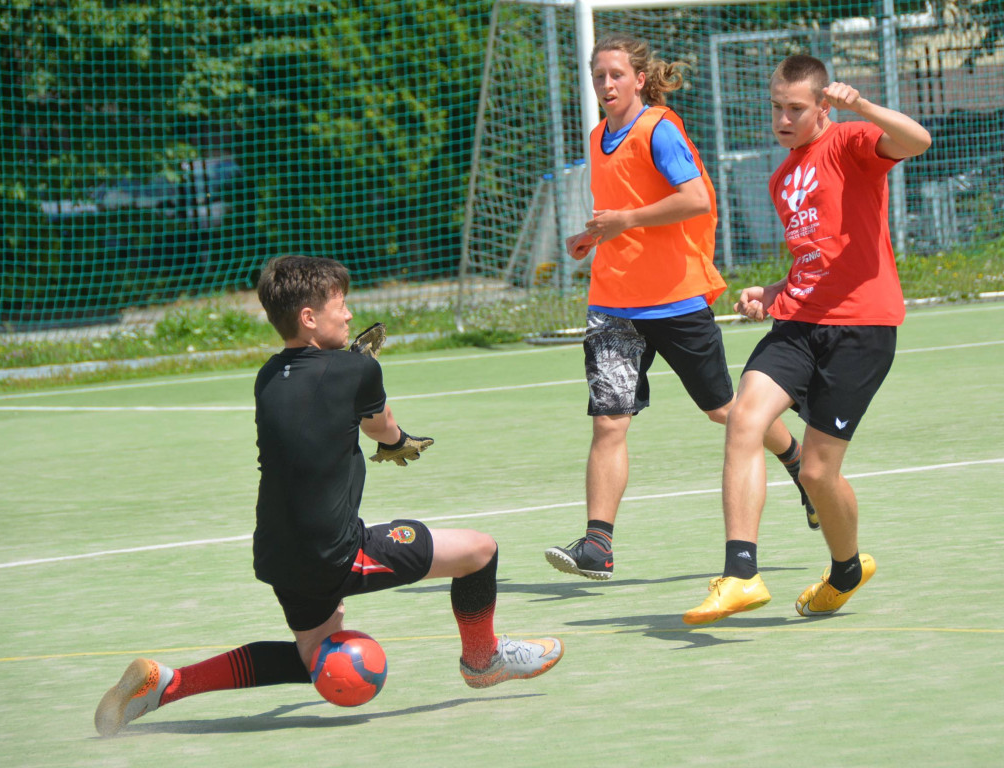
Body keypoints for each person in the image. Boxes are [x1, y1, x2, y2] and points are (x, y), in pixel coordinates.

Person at [95, 255, 563, 737]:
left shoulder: (268, 376)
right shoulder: (355, 372)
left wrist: (354, 370)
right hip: (336, 554)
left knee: (315, 658)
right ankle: (483, 662)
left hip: (278, 552)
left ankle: (165, 686)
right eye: (341, 306)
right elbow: (385, 432)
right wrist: (382, 409)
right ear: (309, 317)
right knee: (479, 551)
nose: (349, 315)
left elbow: (321, 404)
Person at [544, 35, 814, 583]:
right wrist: (593, 237)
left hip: (675, 301)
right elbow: (622, 215)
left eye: (616, 74)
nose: (606, 84)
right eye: (599, 76)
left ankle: (802, 467)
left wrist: (626, 221)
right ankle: (599, 544)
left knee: (726, 412)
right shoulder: (599, 137)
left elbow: (695, 199)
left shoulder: (660, 128)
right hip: (614, 305)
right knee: (608, 422)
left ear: (639, 79)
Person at [682, 55, 931, 624]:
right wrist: (772, 291)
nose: (783, 118)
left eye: (796, 108)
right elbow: (815, 257)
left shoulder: (850, 142)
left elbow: (918, 140)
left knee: (819, 472)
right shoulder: (782, 176)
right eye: (776, 107)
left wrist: (862, 106)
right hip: (798, 324)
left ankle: (846, 569)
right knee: (745, 417)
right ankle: (741, 574)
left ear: (823, 105)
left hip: (862, 330)